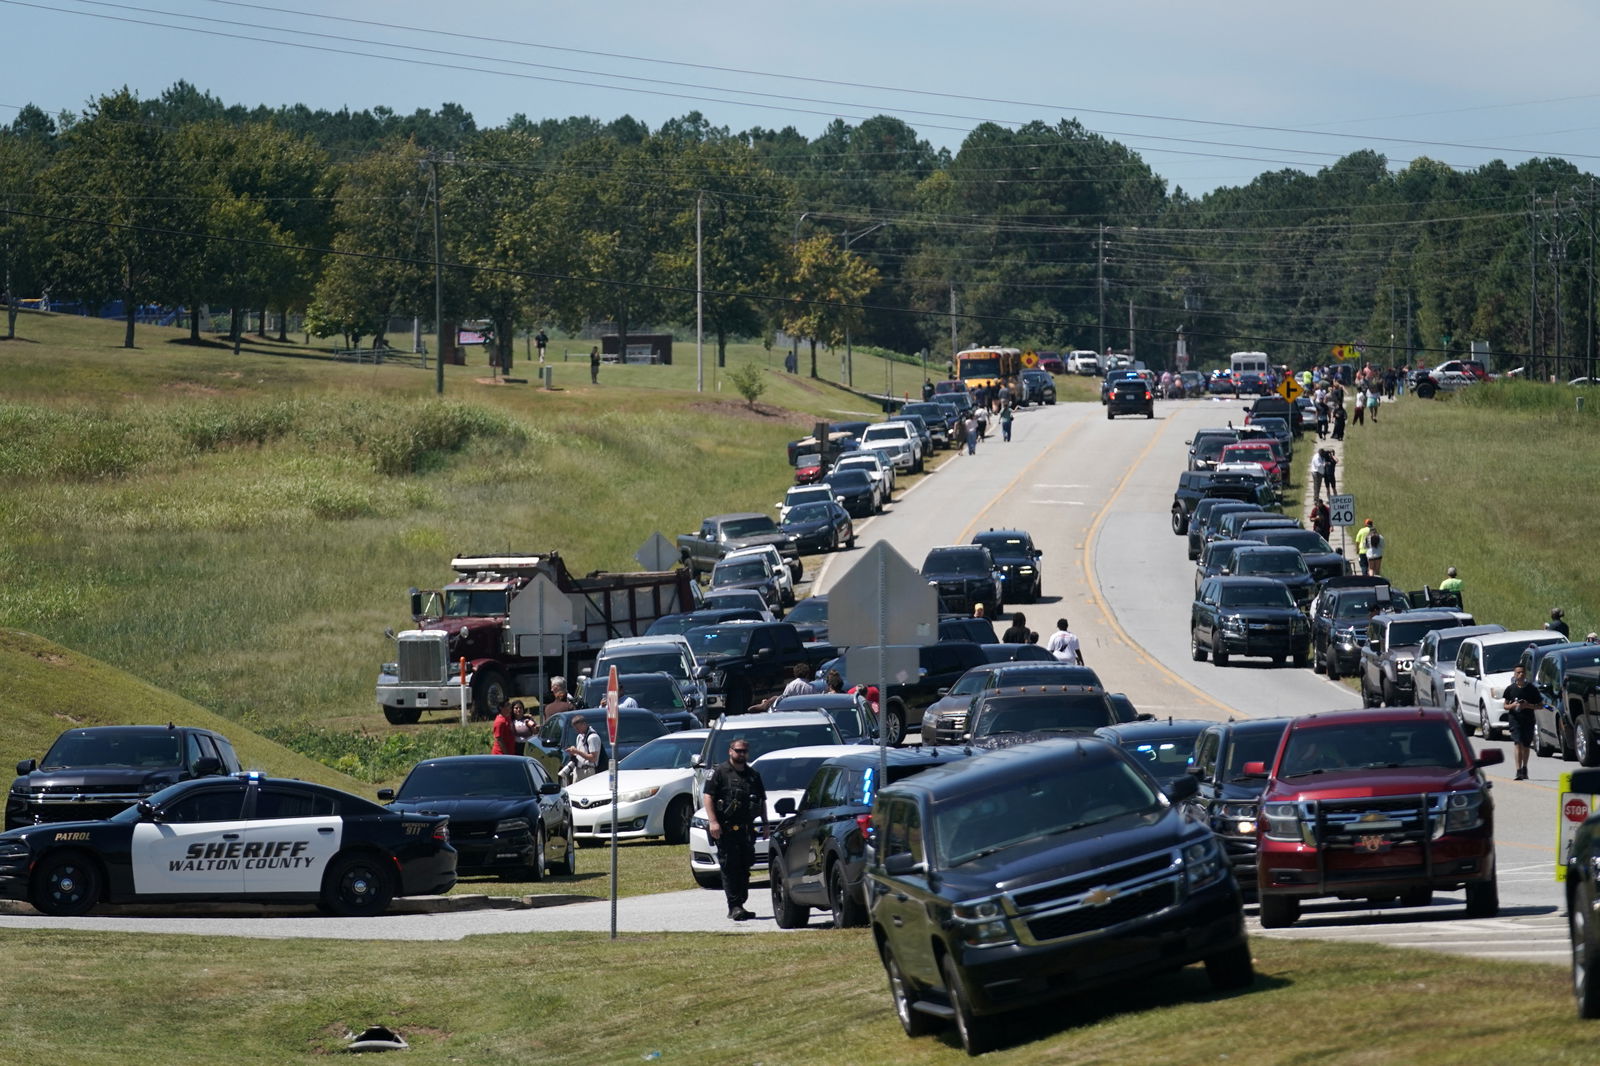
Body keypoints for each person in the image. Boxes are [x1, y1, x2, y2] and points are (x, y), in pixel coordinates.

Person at [702, 738, 766, 921]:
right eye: (738, 751)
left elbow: (761, 801)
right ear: (730, 751)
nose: (741, 754)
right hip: (726, 829)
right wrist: (713, 822)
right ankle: (734, 906)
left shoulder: (753, 775)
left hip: (746, 829)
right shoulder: (720, 773)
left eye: (744, 751)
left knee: (745, 866)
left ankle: (741, 903)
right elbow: (708, 797)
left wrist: (766, 823)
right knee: (730, 867)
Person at [1502, 664, 1541, 780]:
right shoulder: (1510, 689)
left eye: (1523, 672)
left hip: (1528, 720)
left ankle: (1525, 767)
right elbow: (1505, 706)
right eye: (1518, 672)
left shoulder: (1532, 689)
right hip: (1515, 720)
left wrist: (1527, 705)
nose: (1521, 674)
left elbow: (1540, 706)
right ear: (1514, 675)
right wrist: (1513, 705)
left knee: (1526, 745)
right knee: (1517, 743)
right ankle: (1518, 770)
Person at [561, 715, 602, 784]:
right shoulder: (579, 736)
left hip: (588, 771)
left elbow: (593, 758)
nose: (577, 730)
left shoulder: (592, 737)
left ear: (584, 724)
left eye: (578, 728)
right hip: (578, 770)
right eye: (575, 728)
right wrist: (573, 752)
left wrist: (577, 751)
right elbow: (581, 754)